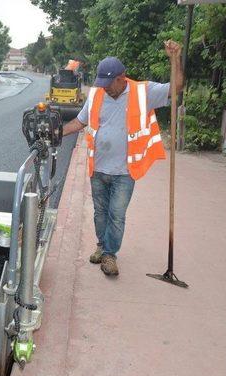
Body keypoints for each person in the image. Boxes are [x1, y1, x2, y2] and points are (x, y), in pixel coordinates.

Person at [62, 40, 183, 276]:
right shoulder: (97, 94)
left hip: (126, 171)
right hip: (98, 167)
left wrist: (175, 59)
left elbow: (176, 88)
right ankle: (101, 245)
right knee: (100, 213)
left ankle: (109, 255)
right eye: (103, 84)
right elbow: (79, 122)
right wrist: (57, 132)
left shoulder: (143, 92)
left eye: (110, 83)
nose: (106, 88)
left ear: (122, 77)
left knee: (116, 215)